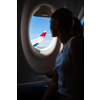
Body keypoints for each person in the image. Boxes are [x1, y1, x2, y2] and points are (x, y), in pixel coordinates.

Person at [42, 8, 84, 100]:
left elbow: (83, 92)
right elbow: (54, 82)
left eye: (50, 23)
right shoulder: (63, 49)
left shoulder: (75, 44)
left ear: (56, 24)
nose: (49, 27)